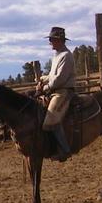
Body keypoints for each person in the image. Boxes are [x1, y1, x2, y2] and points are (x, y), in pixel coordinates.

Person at [35, 26, 76, 162]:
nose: (50, 42)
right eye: (50, 39)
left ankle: (65, 150)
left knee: (51, 119)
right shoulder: (57, 55)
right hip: (55, 90)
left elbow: (59, 79)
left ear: (59, 40)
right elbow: (53, 75)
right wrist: (42, 79)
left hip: (63, 92)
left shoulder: (66, 56)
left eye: (52, 39)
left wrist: (45, 88)